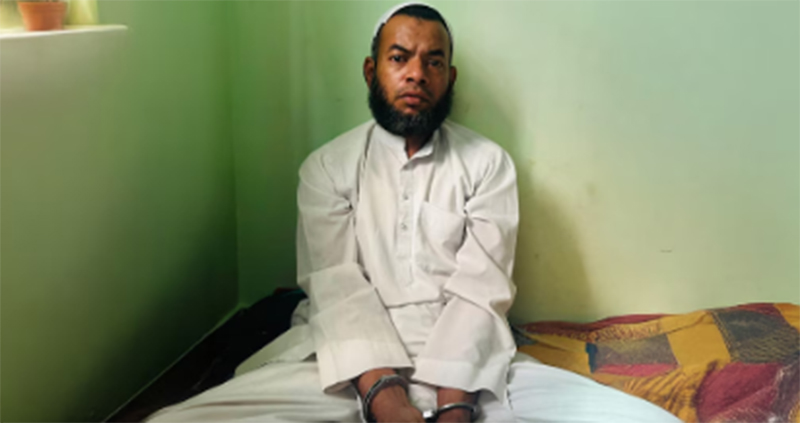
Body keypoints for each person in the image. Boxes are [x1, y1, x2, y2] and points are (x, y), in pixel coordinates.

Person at [147, 3, 684, 422]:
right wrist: (385, 398)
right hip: (345, 362)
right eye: (399, 58)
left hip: (467, 364)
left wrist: (455, 407)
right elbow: (336, 286)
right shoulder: (328, 166)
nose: (416, 74)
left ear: (450, 77)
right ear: (371, 71)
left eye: (433, 61)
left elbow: (480, 290)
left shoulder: (487, 163)